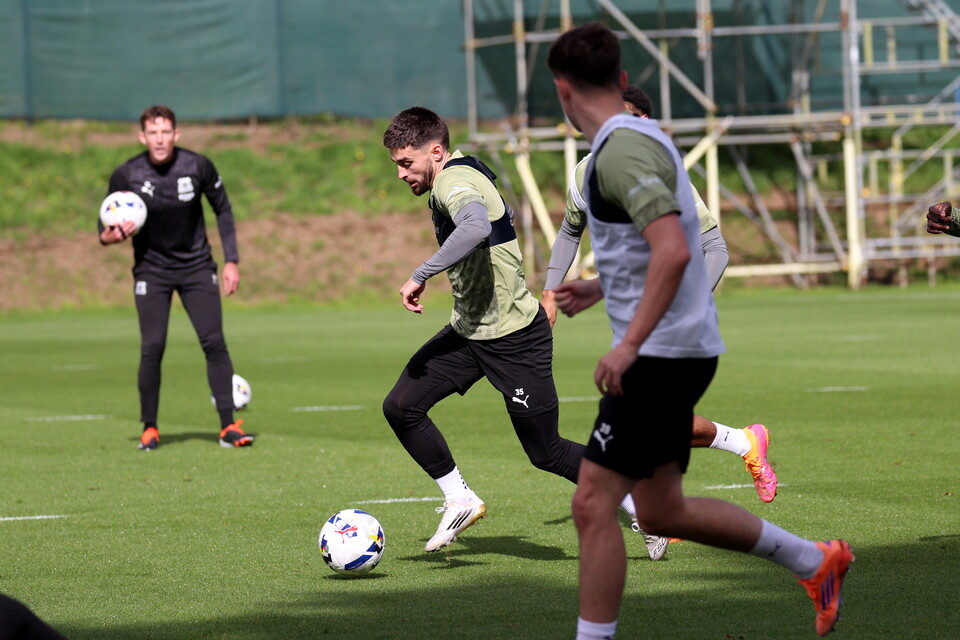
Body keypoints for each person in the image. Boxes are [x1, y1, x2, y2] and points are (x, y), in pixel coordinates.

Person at [547, 23, 853, 639]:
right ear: (623, 81)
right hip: (678, 347)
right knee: (661, 509)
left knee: (593, 502)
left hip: (659, 353)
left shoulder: (619, 150)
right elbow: (674, 240)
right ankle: (813, 560)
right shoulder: (641, 138)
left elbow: (674, 251)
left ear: (562, 92)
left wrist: (629, 344)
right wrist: (602, 286)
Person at [381, 107, 648, 554]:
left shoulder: (453, 181)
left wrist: (422, 272)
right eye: (396, 165)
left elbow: (475, 225)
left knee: (548, 453)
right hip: (470, 333)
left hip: (514, 340)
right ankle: (459, 498)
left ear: (436, 152)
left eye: (407, 163)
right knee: (402, 407)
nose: (401, 174)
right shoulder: (457, 171)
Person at [541, 85, 777, 509]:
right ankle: (741, 445)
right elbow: (569, 230)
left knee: (629, 432)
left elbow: (714, 247)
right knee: (654, 425)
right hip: (632, 320)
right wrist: (551, 289)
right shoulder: (584, 176)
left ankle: (647, 506)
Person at [99, 105, 253, 450]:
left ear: (176, 134)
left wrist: (232, 260)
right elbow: (103, 230)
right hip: (151, 271)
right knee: (152, 347)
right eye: (153, 133)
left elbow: (223, 209)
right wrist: (113, 236)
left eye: (165, 132)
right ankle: (149, 428)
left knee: (214, 342)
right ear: (142, 136)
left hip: (197, 266)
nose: (159, 139)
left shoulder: (197, 166)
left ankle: (229, 426)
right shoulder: (126, 175)